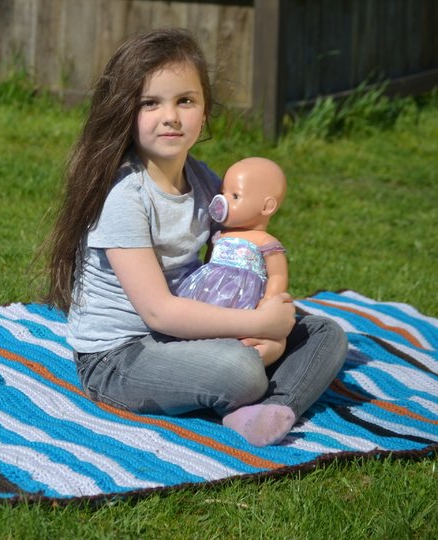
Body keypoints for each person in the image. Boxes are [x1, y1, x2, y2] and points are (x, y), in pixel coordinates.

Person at [41, 27, 347, 447]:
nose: (171, 116)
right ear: (125, 112)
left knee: (325, 333)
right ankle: (256, 384)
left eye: (185, 100)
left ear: (204, 111)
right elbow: (160, 314)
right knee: (238, 369)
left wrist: (271, 323)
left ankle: (274, 408)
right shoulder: (124, 197)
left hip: (186, 329)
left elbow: (238, 254)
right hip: (122, 357)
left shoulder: (204, 181)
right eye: (150, 103)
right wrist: (259, 325)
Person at [176, 156, 289, 312]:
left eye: (235, 196)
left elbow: (278, 276)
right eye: (223, 193)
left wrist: (268, 300)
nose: (222, 201)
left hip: (243, 304)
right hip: (208, 298)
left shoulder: (265, 242)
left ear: (266, 206)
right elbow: (209, 263)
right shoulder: (219, 236)